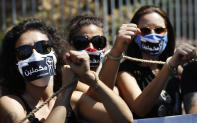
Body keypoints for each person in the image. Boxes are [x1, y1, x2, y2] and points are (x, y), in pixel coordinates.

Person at [0, 18, 133, 123]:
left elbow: (125, 120)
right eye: (24, 52)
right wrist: (65, 93)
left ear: (56, 52)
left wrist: (90, 77)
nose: (35, 55)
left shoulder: (74, 100)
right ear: (15, 62)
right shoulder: (10, 104)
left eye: (43, 47)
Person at [98, 5, 197, 119]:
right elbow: (140, 109)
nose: (152, 34)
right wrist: (169, 66)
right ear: (135, 36)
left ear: (168, 33)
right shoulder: (125, 72)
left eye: (159, 30)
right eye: (145, 30)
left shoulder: (177, 69)